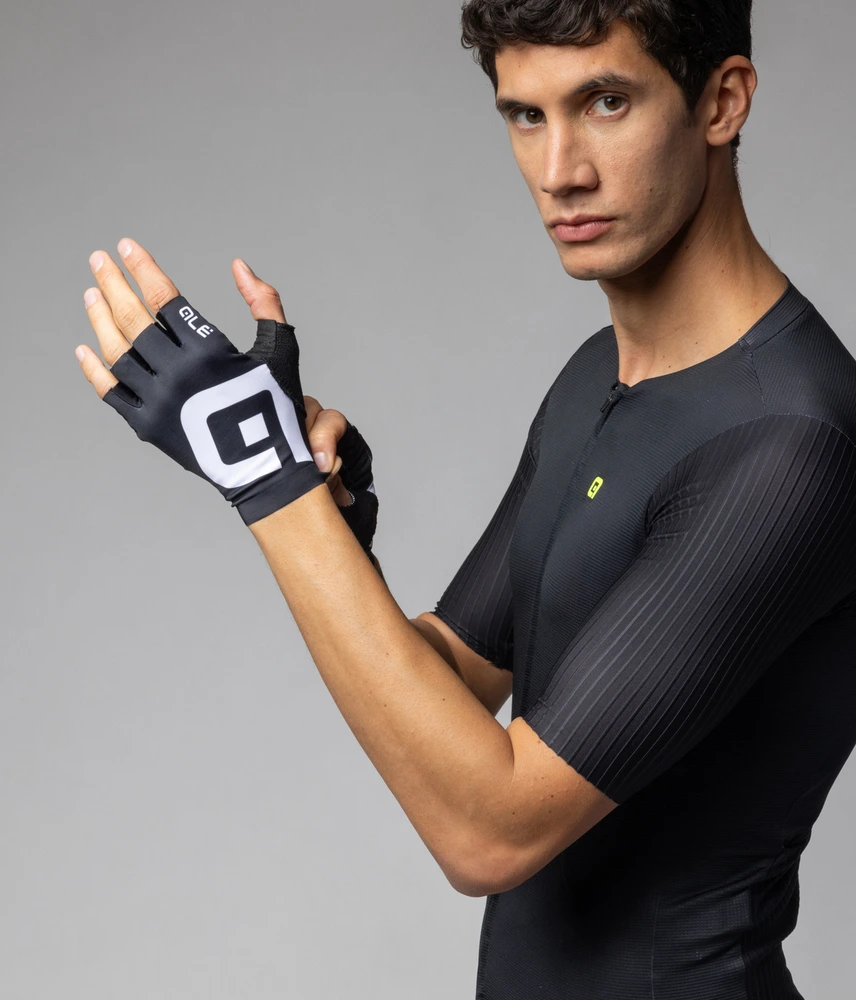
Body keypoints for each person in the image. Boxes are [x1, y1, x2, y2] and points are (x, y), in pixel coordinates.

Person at [73, 1, 856, 996]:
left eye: (605, 102)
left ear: (721, 101)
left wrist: (271, 485)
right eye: (525, 115)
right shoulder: (599, 376)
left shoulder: (790, 445)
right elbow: (449, 682)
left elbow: (490, 830)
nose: (559, 170)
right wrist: (323, 515)